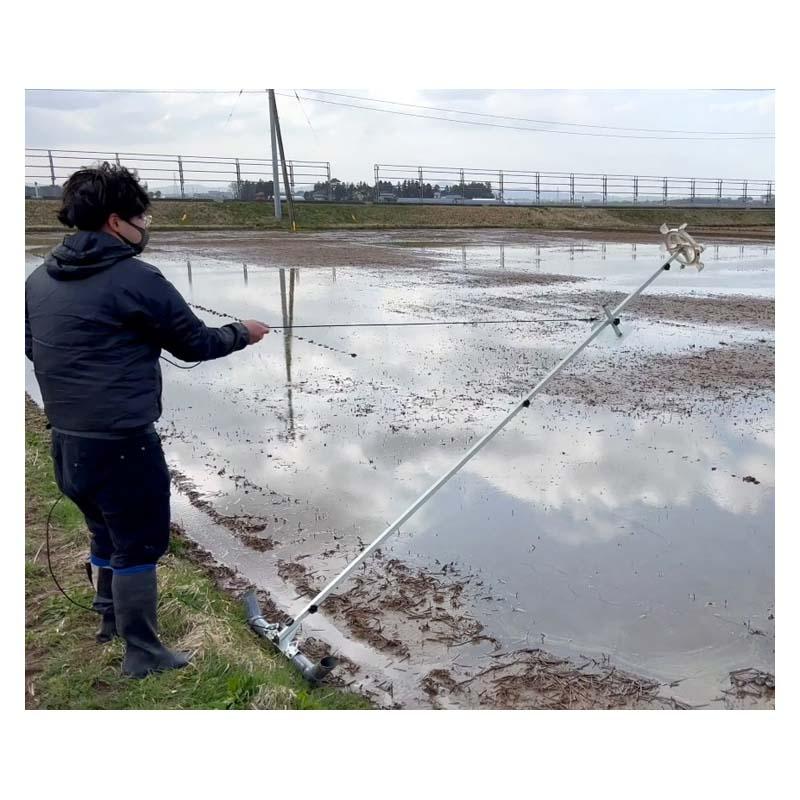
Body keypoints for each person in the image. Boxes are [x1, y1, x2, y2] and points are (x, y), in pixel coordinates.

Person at [25, 162, 270, 678]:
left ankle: (110, 620)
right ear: (117, 222)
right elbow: (196, 343)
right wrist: (243, 332)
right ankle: (143, 653)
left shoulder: (38, 279)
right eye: (143, 216)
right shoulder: (137, 278)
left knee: (103, 533)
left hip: (67, 442)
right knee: (138, 541)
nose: (147, 225)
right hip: (123, 444)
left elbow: (32, 348)